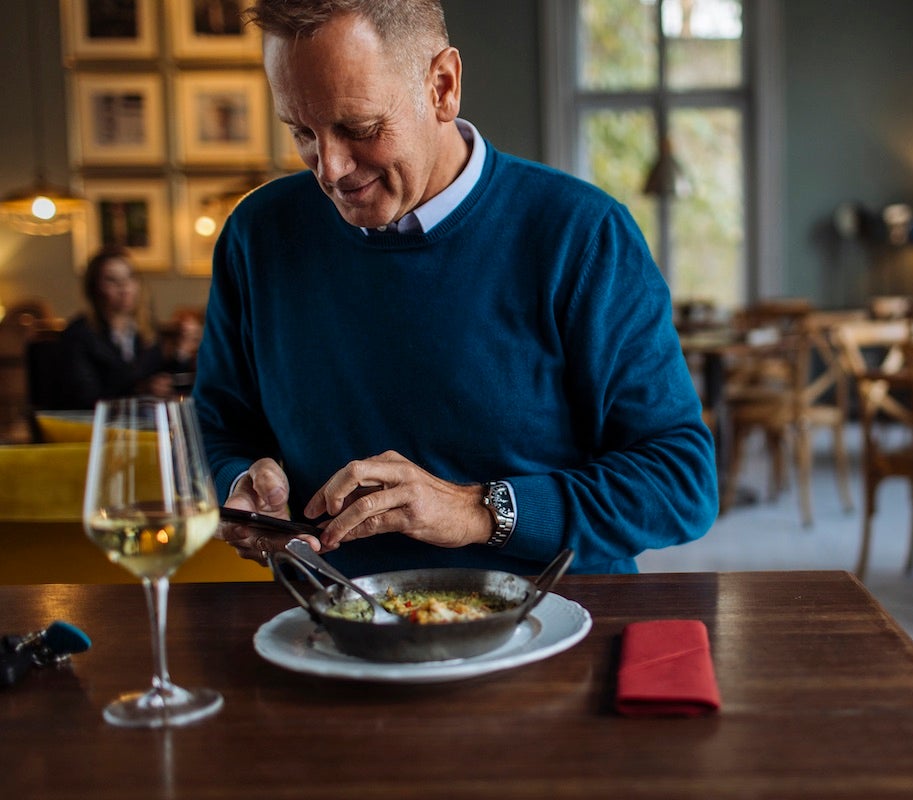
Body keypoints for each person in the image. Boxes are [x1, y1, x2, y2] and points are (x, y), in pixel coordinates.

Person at [192, 0, 718, 577]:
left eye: (359, 128)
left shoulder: (583, 235)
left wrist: (477, 510)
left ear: (443, 86)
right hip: (329, 629)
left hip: (552, 626)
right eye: (302, 132)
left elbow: (681, 481)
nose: (330, 169)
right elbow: (219, 426)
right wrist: (241, 479)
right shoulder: (256, 235)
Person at [51, 247, 188, 410]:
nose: (124, 288)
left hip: (142, 425)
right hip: (95, 427)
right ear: (94, 288)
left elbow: (159, 379)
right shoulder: (79, 334)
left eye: (130, 277)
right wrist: (141, 390)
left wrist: (181, 352)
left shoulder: (147, 329)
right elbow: (84, 399)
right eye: (112, 280)